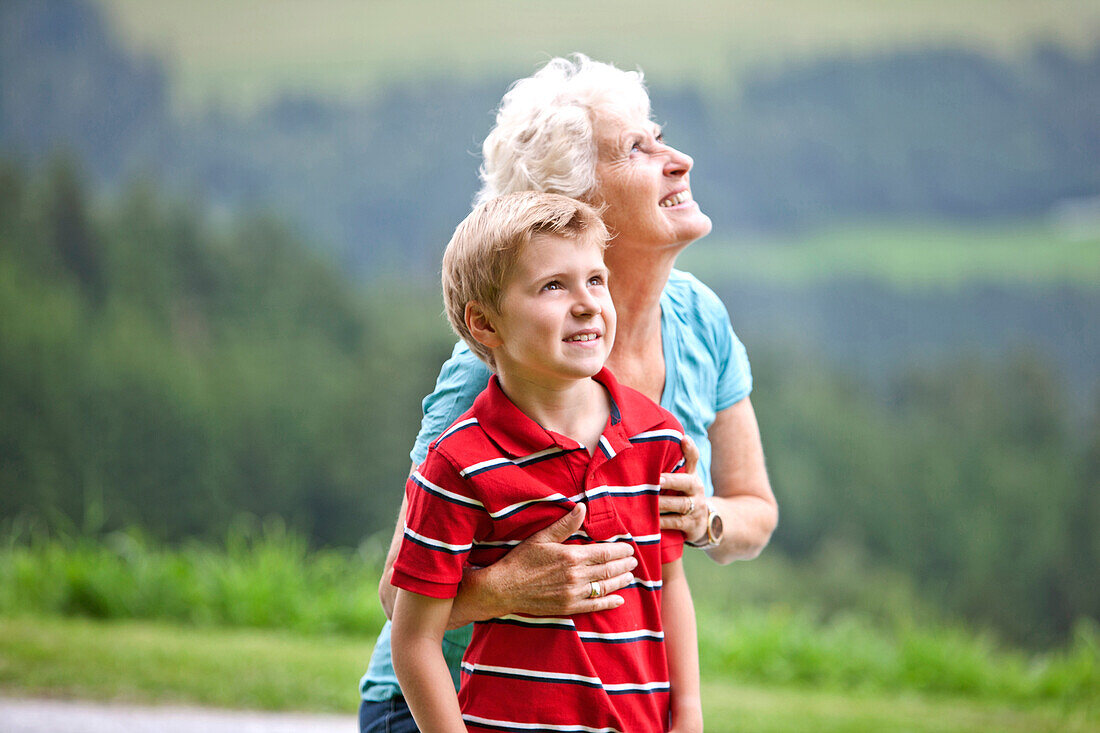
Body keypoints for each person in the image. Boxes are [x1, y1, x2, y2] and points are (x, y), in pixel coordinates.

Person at [360, 54, 778, 732]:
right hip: (448, 706)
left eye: (659, 136)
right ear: (577, 206)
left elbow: (753, 511)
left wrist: (705, 520)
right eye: (637, 148)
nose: (679, 160)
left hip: (605, 707)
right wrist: (505, 589)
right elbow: (395, 593)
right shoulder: (492, 370)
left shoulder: (702, 322)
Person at [390, 191, 700, 732]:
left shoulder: (657, 437)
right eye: (553, 285)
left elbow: (668, 585)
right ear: (485, 324)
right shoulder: (458, 463)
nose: (586, 303)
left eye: (596, 279)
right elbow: (413, 637)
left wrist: (689, 716)